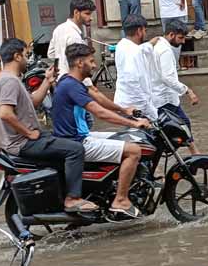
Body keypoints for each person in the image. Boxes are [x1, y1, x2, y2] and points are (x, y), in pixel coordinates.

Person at [0, 39, 97, 213]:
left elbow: (32, 102)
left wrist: (47, 81)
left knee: (61, 142)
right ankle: (72, 199)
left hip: (24, 139)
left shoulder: (8, 79)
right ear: (17, 56)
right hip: (22, 143)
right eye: (26, 55)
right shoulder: (9, 81)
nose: (28, 59)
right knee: (75, 149)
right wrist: (28, 133)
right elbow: (5, 113)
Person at [52, 43, 151, 217]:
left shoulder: (71, 82)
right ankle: (120, 200)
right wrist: (134, 123)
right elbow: (99, 112)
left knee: (124, 137)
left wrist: (124, 109)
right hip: (78, 141)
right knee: (134, 151)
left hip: (80, 136)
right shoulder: (71, 86)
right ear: (80, 63)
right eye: (91, 61)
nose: (95, 65)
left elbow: (98, 98)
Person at [146, 20, 203, 154]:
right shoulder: (165, 50)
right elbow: (168, 78)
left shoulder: (157, 44)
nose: (183, 42)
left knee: (179, 125)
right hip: (164, 98)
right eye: (181, 38)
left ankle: (195, 153)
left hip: (159, 96)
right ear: (171, 35)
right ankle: (195, 154)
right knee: (179, 126)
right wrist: (188, 90)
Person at [113, 14, 156, 120]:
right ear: (139, 31)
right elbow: (132, 82)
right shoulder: (133, 51)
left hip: (124, 103)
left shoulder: (121, 45)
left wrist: (151, 44)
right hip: (135, 107)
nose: (145, 34)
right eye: (145, 30)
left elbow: (140, 49)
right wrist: (147, 109)